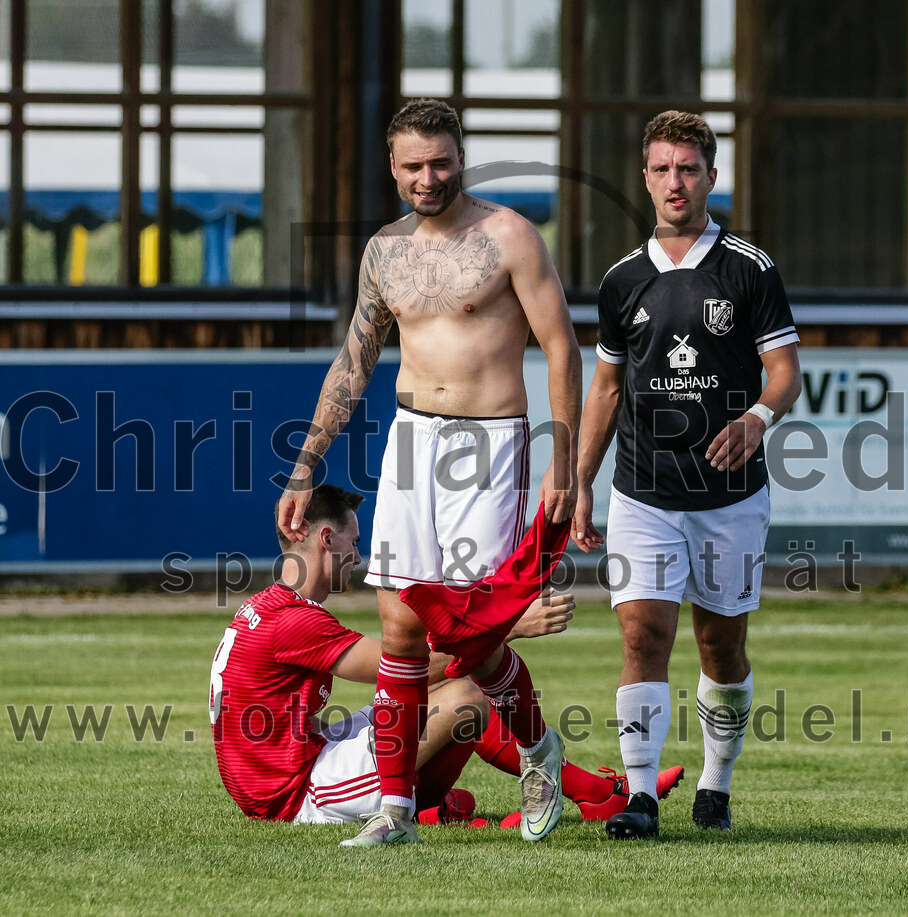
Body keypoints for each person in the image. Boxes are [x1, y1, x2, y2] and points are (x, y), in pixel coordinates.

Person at [276, 99, 583, 845]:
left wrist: (565, 460)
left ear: (461, 157)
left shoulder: (510, 236)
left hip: (491, 444)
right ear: (393, 165)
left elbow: (562, 347)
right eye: (414, 165)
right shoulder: (384, 251)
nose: (428, 177)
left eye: (441, 162)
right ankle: (395, 811)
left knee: (475, 635)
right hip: (411, 439)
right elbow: (354, 363)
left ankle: (540, 748)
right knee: (401, 626)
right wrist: (306, 463)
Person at [211, 485, 684, 839]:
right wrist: (507, 626)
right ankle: (595, 794)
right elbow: (398, 667)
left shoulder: (269, 606)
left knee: (447, 695)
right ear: (326, 538)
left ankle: (444, 804)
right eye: (352, 543)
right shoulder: (294, 621)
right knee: (465, 698)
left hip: (291, 765)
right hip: (294, 794)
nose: (358, 556)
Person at [572, 111, 802, 839]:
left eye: (689, 169)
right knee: (643, 637)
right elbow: (606, 387)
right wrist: (580, 480)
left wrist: (757, 418)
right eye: (663, 169)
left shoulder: (749, 268)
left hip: (730, 498)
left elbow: (786, 372)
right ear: (645, 179)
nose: (676, 181)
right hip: (643, 491)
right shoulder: (622, 280)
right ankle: (641, 796)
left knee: (720, 648)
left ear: (711, 177)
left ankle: (715, 782)